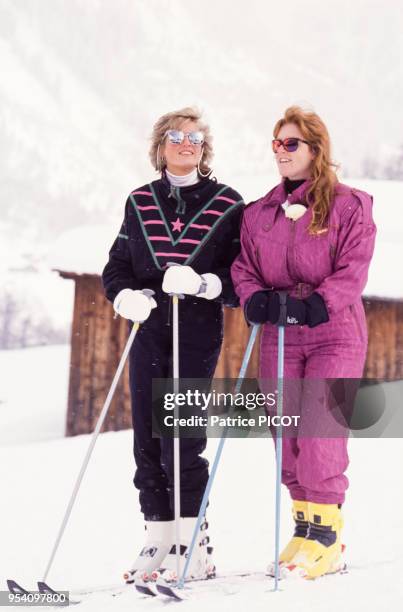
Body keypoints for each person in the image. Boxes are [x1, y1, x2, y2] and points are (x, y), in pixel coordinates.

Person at [231, 106, 376, 579]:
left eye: (290, 143)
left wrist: (316, 305)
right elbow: (244, 268)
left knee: (319, 430)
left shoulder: (349, 205)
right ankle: (304, 529)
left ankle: (328, 537)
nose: (281, 152)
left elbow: (353, 268)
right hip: (278, 335)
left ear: (316, 150)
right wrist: (254, 300)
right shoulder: (259, 214)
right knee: (287, 433)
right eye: (276, 143)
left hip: (332, 331)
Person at [102, 107, 244, 584]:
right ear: (160, 145)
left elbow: (239, 278)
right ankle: (158, 534)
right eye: (177, 136)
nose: (187, 143)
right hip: (150, 330)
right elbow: (118, 263)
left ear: (205, 148)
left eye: (196, 137)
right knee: (146, 434)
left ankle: (192, 540)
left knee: (181, 435)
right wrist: (123, 295)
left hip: (197, 329)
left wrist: (206, 283)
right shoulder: (140, 201)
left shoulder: (228, 204)